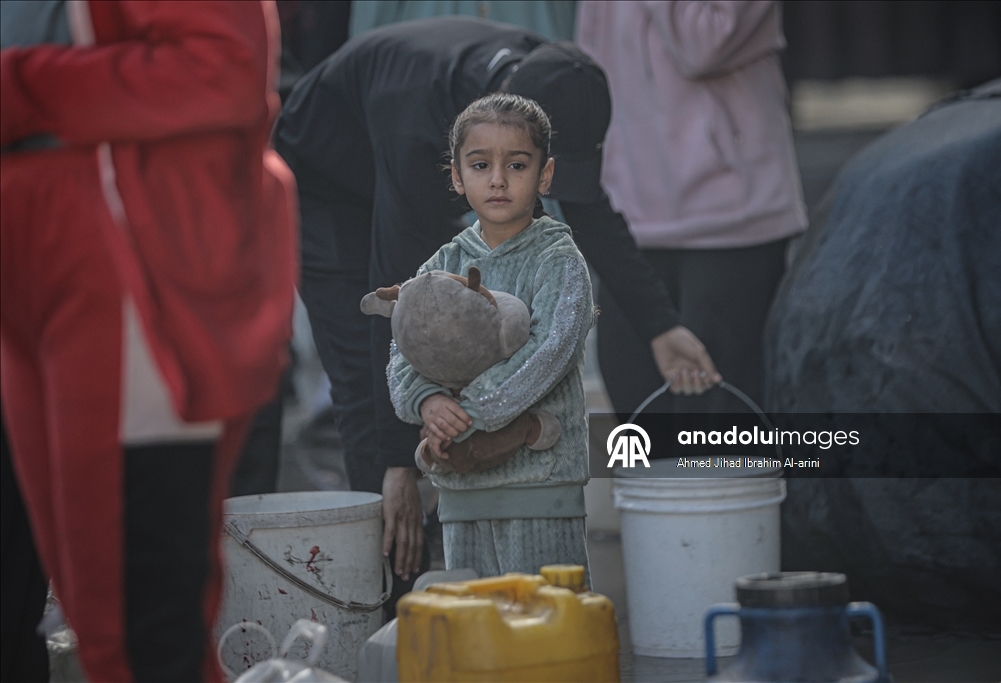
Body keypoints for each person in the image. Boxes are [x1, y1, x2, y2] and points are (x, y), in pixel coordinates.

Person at [274, 16, 719, 585]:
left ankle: (448, 528)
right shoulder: (418, 132)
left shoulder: (556, 78)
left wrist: (662, 326)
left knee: (469, 332)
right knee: (371, 371)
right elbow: (397, 298)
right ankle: (391, 577)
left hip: (424, 151)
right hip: (326, 181)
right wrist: (393, 462)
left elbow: (588, 210)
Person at [0, 2, 296, 680]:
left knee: (136, 630)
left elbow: (222, 69)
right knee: (85, 607)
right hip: (33, 265)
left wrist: (20, 84)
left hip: (125, 256)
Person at [390, 93, 593, 578]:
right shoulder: (442, 265)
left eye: (517, 165)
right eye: (481, 164)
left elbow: (549, 352)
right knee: (478, 623)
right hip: (461, 487)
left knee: (547, 622)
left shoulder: (558, 260)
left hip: (541, 482)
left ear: (544, 175)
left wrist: (468, 414)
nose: (498, 179)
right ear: (458, 176)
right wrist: (426, 404)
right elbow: (403, 349)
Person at [575, 0, 808, 415]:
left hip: (731, 217)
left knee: (726, 421)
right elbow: (591, 65)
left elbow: (707, 44)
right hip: (627, 211)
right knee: (638, 412)